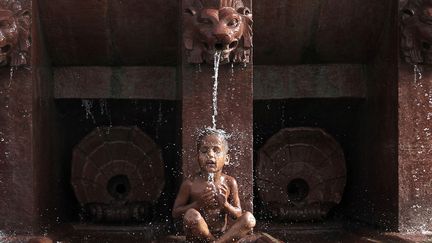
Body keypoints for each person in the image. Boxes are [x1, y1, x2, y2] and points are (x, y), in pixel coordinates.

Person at [172, 128, 256, 242]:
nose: (210, 155)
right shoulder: (190, 184)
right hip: (198, 236)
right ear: (197, 157)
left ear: (226, 159)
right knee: (191, 214)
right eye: (204, 151)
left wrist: (225, 205)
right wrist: (198, 204)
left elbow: (238, 214)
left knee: (249, 218)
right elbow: (176, 213)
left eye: (216, 150)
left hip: (223, 235)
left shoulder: (229, 182)